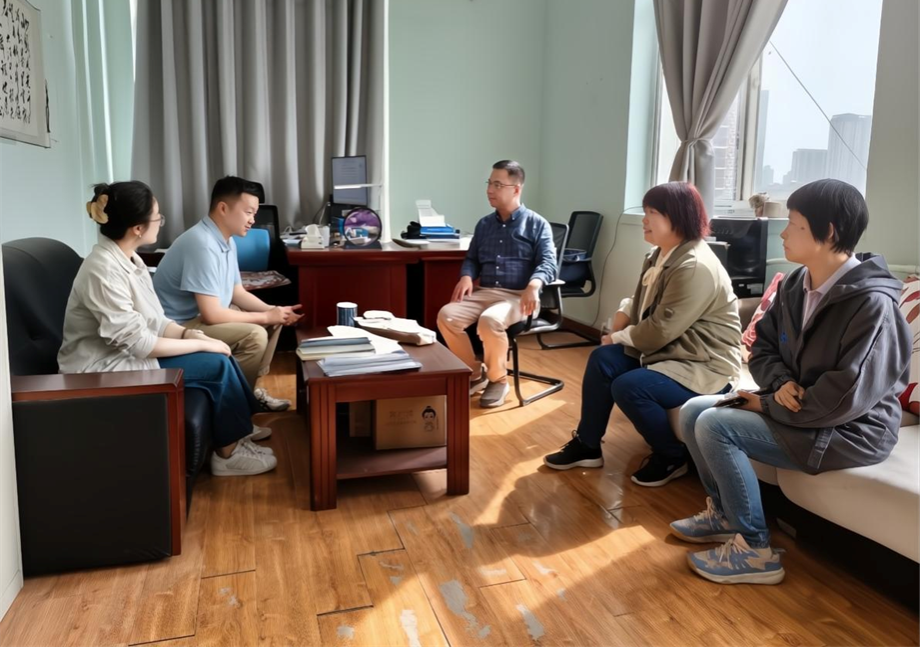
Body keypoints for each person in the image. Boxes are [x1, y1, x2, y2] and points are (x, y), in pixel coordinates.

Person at [671, 179, 912, 585]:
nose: (783, 233)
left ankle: (755, 551)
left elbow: (844, 399)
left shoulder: (872, 305)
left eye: (794, 224)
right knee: (696, 409)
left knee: (715, 423)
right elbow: (763, 347)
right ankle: (726, 517)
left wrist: (766, 404)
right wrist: (779, 382)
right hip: (801, 412)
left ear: (828, 232)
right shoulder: (797, 284)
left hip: (850, 431)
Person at [59, 181, 277, 476]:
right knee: (216, 365)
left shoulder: (131, 259)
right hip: (102, 368)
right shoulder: (103, 270)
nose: (160, 222)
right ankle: (227, 457)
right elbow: (140, 344)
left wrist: (189, 334)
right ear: (138, 228)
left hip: (128, 354)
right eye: (157, 217)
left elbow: (157, 321)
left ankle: (238, 435)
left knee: (221, 355)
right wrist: (202, 344)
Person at [543, 182, 742, 487]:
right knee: (602, 360)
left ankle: (672, 456)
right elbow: (643, 302)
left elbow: (661, 329)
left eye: (652, 213)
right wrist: (621, 320)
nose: (644, 220)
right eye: (645, 211)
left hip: (704, 364)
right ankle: (587, 444)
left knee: (629, 387)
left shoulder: (694, 265)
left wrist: (618, 337)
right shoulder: (660, 255)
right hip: (672, 351)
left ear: (677, 217)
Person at [153, 176, 302, 410]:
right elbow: (212, 314)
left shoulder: (226, 240)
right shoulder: (201, 244)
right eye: (248, 212)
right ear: (223, 208)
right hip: (178, 326)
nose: (253, 220)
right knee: (255, 334)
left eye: (254, 214)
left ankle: (250, 391)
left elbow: (236, 292)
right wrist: (264, 316)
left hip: (199, 317)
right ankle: (236, 408)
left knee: (275, 320)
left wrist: (273, 311)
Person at [437, 160, 557, 408]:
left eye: (498, 185)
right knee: (447, 316)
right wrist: (466, 275)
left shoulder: (537, 224)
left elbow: (548, 263)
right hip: (486, 292)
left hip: (519, 296)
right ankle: (473, 373)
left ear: (516, 189)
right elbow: (472, 259)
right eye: (489, 183)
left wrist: (534, 285)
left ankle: (498, 380)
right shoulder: (484, 225)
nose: (490, 190)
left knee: (490, 320)